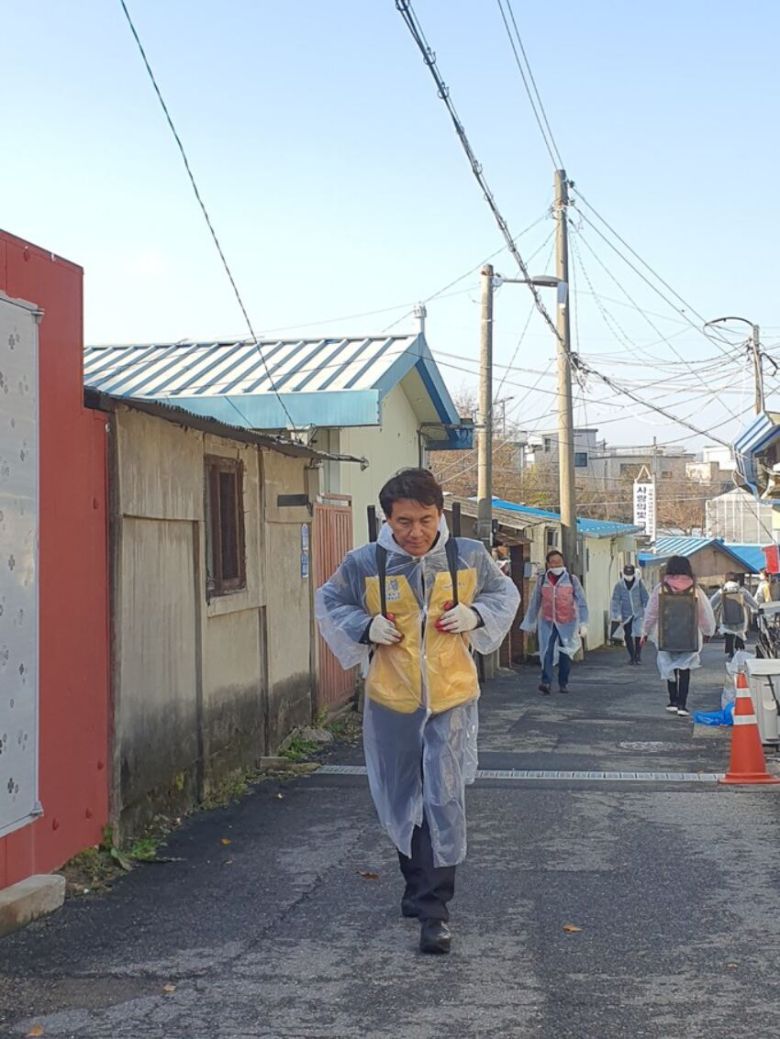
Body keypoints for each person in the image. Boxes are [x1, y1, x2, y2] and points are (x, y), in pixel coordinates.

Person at [315, 469, 519, 956]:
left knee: (441, 796)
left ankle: (435, 911)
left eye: (426, 520)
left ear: (440, 514)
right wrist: (365, 627)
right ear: (388, 519)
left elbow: (501, 594)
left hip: (449, 697)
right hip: (392, 700)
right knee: (403, 796)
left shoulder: (466, 556)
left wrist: (477, 615)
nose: (415, 532)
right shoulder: (365, 562)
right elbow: (329, 601)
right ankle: (415, 885)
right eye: (404, 521)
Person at [641, 555, 716, 717]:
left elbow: (651, 614)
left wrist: (645, 632)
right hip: (689, 635)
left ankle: (672, 701)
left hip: (665, 634)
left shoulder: (660, 588)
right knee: (685, 669)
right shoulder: (695, 589)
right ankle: (683, 704)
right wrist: (708, 631)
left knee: (669, 667)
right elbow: (704, 614)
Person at [520, 549, 588, 695]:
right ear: (548, 564)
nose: (556, 564)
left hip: (567, 622)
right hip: (548, 621)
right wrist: (530, 622)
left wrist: (583, 623)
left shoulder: (571, 579)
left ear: (562, 562)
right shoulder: (542, 580)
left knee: (565, 653)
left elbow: (582, 602)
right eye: (553, 562)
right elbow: (535, 601)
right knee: (547, 651)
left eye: (558, 561)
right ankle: (546, 682)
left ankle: (563, 683)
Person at [709, 573, 758, 660]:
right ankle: (739, 647)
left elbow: (712, 603)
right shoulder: (742, 590)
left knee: (729, 633)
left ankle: (730, 650)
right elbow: (752, 603)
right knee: (739, 631)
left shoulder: (722, 591)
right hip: (741, 619)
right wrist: (757, 609)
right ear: (737, 581)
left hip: (726, 619)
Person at [610, 563, 649, 665]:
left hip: (638, 613)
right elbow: (615, 600)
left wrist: (647, 608)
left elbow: (645, 597)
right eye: (626, 574)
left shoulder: (639, 584)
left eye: (630, 574)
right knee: (627, 635)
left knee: (638, 634)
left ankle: (638, 655)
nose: (628, 576)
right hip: (626, 614)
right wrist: (616, 614)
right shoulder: (619, 585)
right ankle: (632, 656)